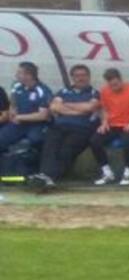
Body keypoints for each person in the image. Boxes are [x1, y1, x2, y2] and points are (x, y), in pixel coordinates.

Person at [28, 64, 99, 192]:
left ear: (89, 77)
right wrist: (78, 110)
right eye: (77, 76)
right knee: (50, 145)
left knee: (66, 150)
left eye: (83, 75)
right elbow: (54, 107)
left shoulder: (94, 93)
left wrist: (65, 106)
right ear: (72, 78)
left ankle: (49, 177)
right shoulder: (63, 91)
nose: (80, 78)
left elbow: (89, 108)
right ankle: (45, 175)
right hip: (60, 126)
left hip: (82, 129)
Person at [0, 61, 52, 164]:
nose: (16, 75)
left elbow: (43, 115)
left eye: (19, 72)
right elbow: (13, 101)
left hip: (36, 125)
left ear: (29, 75)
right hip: (18, 123)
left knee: (36, 140)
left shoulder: (42, 90)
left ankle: (35, 167)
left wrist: (19, 117)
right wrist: (12, 111)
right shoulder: (16, 85)